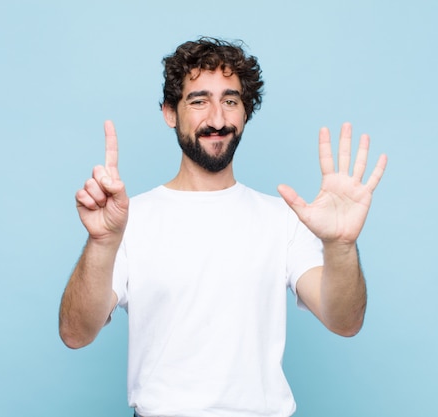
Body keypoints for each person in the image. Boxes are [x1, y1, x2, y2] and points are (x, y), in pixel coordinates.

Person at [59, 37, 387, 417]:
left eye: (230, 101)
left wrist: (341, 245)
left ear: (245, 112)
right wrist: (101, 243)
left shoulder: (281, 219)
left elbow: (345, 321)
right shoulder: (129, 221)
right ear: (169, 112)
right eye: (199, 101)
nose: (217, 119)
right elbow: (75, 334)